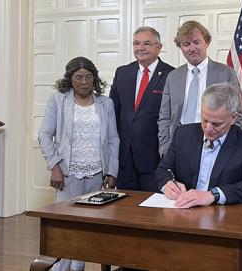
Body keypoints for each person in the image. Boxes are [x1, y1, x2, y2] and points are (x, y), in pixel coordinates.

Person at [38, 56, 119, 271]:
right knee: (66, 229)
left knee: (87, 228)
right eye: (78, 77)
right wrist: (55, 166)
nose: (84, 82)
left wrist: (112, 171)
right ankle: (61, 269)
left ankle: (78, 268)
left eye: (89, 77)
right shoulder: (58, 100)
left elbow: (113, 139)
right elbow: (44, 135)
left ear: (95, 79)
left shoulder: (105, 103)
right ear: (70, 79)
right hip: (68, 175)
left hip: (96, 175)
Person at [155, 82, 242, 208]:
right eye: (205, 120)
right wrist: (167, 184)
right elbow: (163, 170)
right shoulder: (182, 135)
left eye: (216, 124)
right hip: (182, 212)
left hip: (222, 216)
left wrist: (212, 195)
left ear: (233, 118)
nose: (208, 129)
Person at [157, 20, 242, 158]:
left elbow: (237, 114)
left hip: (215, 144)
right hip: (179, 146)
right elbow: (164, 117)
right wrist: (165, 148)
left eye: (196, 42)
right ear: (181, 47)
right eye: (186, 44)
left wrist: (229, 148)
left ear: (206, 43)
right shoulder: (173, 77)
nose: (192, 49)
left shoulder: (225, 73)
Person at [109, 26, 174, 192]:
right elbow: (113, 113)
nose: (140, 48)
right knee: (124, 208)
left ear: (158, 47)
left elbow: (174, 117)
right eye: (136, 43)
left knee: (152, 211)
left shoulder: (172, 75)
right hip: (125, 158)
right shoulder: (122, 73)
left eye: (147, 44)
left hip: (155, 158)